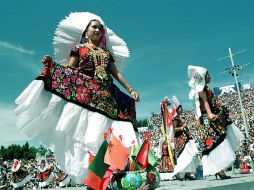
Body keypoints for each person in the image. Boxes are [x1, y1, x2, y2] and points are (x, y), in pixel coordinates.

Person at [15, 12, 140, 184]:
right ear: (85, 32)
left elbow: (116, 73)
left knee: (118, 128)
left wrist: (130, 89)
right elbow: (70, 69)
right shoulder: (78, 48)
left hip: (108, 96)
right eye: (94, 27)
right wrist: (52, 66)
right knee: (91, 134)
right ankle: (95, 178)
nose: (97, 30)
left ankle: (112, 174)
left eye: (100, 28)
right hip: (86, 94)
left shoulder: (106, 54)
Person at [188, 65, 244, 179]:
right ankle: (219, 170)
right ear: (203, 77)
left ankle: (220, 170)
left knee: (219, 141)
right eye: (208, 75)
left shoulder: (205, 88)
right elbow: (205, 102)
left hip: (211, 117)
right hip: (208, 119)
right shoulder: (201, 89)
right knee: (216, 142)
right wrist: (209, 114)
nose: (210, 76)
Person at [167, 96, 199, 181]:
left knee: (190, 155)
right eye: (180, 108)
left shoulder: (182, 118)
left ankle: (188, 173)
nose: (182, 109)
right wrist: (182, 127)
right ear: (177, 109)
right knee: (184, 155)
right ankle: (182, 173)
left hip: (186, 138)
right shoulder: (175, 119)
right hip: (180, 140)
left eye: (181, 108)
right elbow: (174, 129)